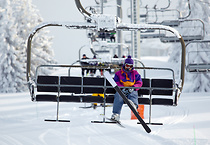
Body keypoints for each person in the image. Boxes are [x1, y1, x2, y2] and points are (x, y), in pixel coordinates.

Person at [111, 55, 143, 121]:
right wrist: (121, 88)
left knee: (133, 94)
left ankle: (133, 105)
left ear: (132, 66)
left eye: (130, 66)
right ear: (124, 65)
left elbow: (139, 82)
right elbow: (116, 81)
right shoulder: (118, 73)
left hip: (131, 89)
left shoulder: (135, 73)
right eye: (127, 65)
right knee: (118, 96)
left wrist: (134, 87)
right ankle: (116, 114)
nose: (128, 67)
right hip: (122, 90)